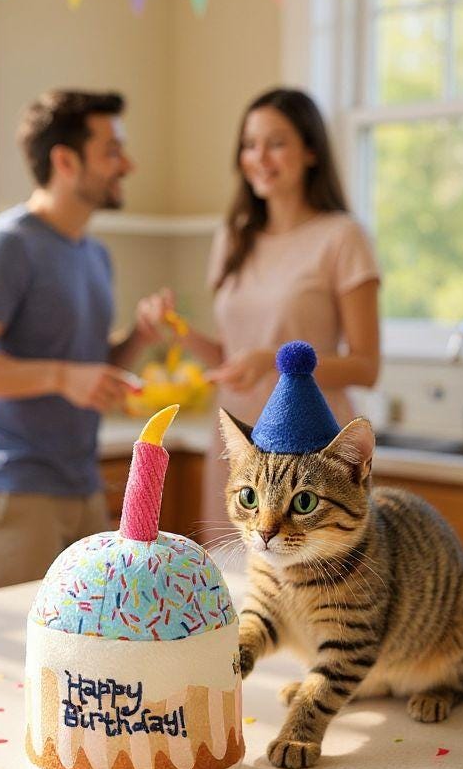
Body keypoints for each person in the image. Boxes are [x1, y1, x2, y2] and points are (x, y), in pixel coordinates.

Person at [0, 89, 163, 591]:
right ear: (65, 160)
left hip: (80, 484)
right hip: (16, 492)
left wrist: (137, 338)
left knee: (96, 647)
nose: (128, 164)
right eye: (112, 151)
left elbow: (84, 365)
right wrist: (62, 377)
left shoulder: (94, 254)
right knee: (22, 662)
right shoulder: (7, 246)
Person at [159, 86, 381, 536]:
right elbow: (233, 355)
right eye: (249, 144)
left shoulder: (342, 237)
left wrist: (273, 364)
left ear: (311, 152)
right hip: (241, 453)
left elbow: (366, 365)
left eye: (276, 143)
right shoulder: (233, 237)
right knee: (233, 591)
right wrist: (178, 332)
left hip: (311, 466)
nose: (259, 157)